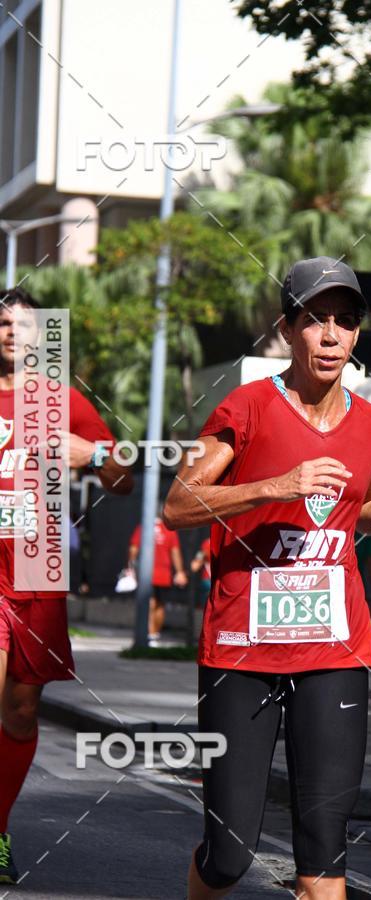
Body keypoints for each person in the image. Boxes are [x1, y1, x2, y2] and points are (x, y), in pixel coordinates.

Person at [163, 256, 371, 900]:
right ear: (289, 330)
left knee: (324, 849)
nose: (333, 335)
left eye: (346, 322)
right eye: (317, 321)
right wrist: (275, 486)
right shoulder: (245, 408)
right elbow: (178, 506)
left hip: (334, 648)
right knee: (230, 856)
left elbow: (365, 507)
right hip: (242, 650)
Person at [0, 288, 134, 884]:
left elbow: (124, 478)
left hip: (36, 566)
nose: (11, 333)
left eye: (22, 324)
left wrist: (95, 452)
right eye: (2, 324)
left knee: (22, 710)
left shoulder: (58, 401)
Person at [128, 514, 188, 644]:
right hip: (164, 574)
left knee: (151, 604)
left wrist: (130, 567)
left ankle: (150, 635)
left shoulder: (144, 526)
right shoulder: (169, 529)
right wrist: (179, 572)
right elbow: (175, 551)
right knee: (159, 605)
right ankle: (153, 634)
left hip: (146, 574)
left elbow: (133, 548)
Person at [190, 536, 211, 608]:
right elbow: (202, 553)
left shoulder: (208, 542)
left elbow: (202, 553)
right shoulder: (208, 542)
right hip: (209, 580)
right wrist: (197, 561)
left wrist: (197, 561)